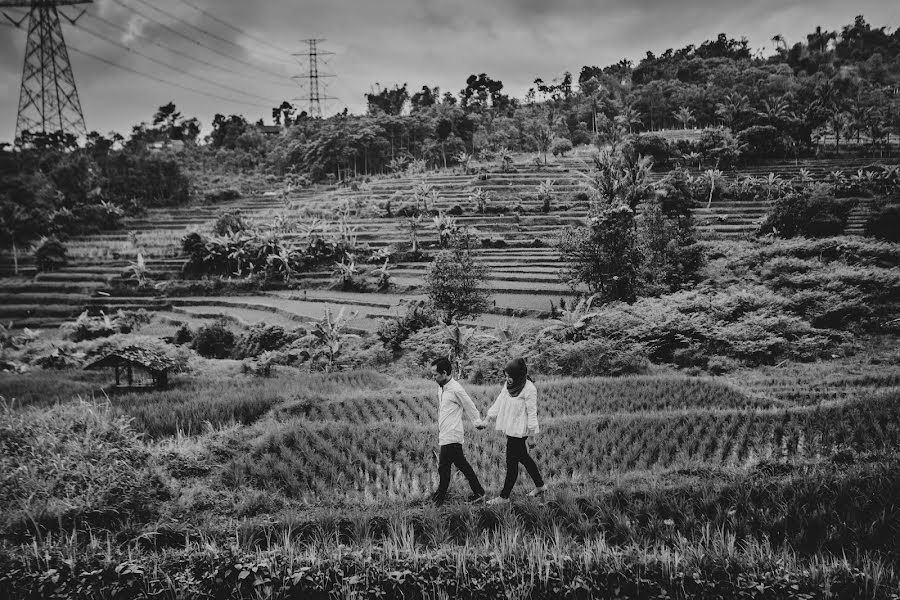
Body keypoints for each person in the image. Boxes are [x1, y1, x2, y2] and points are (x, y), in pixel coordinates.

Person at [484, 357, 546, 504]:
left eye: (510, 376)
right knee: (524, 458)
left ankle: (504, 497)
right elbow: (499, 401)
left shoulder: (529, 389)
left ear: (519, 375)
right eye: (506, 376)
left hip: (520, 432)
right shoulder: (508, 386)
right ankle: (540, 486)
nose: (508, 379)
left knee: (511, 463)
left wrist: (532, 435)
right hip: (511, 429)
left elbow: (532, 413)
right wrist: (487, 418)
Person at [429, 356, 486, 507]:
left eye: (435, 374)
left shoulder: (456, 389)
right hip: (445, 433)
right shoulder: (441, 388)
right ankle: (479, 492)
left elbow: (469, 405)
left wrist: (477, 422)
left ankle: (439, 499)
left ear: (445, 373)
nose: (433, 377)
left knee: (444, 468)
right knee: (461, 465)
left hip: (452, 435)